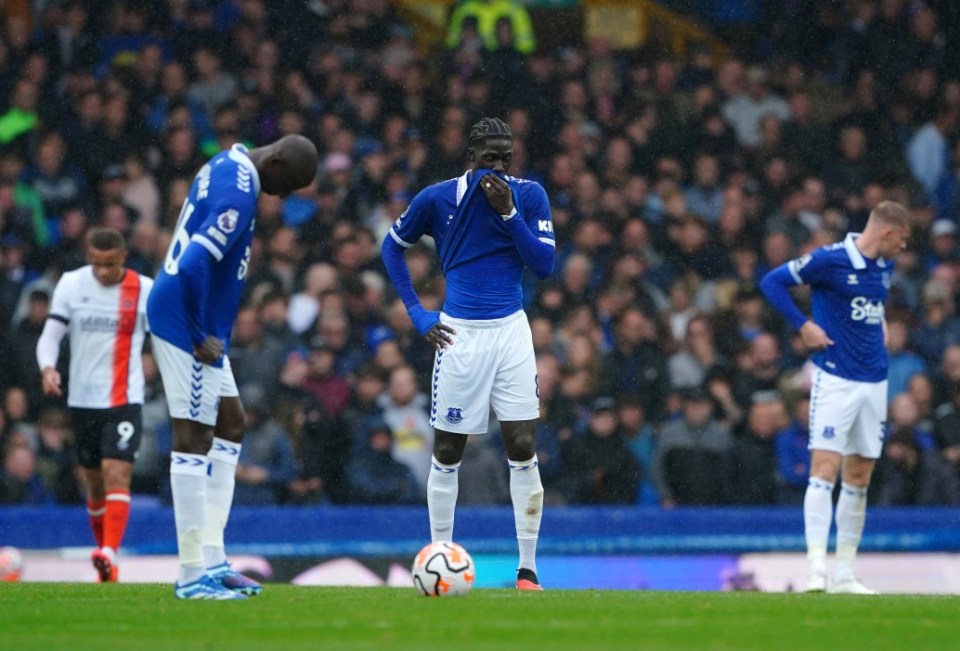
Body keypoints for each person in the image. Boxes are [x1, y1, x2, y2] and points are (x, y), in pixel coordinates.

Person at [380, 117, 554, 590]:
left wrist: (510, 215)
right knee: (449, 449)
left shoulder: (529, 195)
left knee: (521, 446)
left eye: (506, 158)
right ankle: (440, 556)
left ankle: (528, 570)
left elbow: (543, 265)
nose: (498, 167)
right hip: (459, 335)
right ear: (470, 157)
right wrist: (418, 314)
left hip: (510, 332)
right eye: (489, 157)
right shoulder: (437, 199)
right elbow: (391, 248)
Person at [146, 135, 317, 600]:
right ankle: (190, 574)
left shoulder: (229, 162)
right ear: (276, 160)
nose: (280, 196)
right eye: (286, 184)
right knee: (194, 434)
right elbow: (197, 260)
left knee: (230, 421)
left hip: (197, 322)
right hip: (186, 322)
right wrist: (202, 330)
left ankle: (215, 559)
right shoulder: (242, 192)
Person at [760, 200, 912, 595]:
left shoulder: (884, 267)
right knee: (824, 470)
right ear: (887, 233)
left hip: (875, 382)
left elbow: (868, 307)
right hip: (836, 380)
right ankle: (815, 571)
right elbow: (771, 282)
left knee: (859, 476)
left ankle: (845, 574)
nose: (906, 249)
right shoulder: (829, 260)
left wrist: (878, 325)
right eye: (904, 240)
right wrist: (803, 325)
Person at [35, 227, 153, 582]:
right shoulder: (72, 284)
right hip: (82, 401)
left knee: (117, 472)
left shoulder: (144, 289)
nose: (103, 271)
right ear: (89, 257)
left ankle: (109, 552)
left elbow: (165, 337)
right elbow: (51, 335)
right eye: (97, 264)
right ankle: (108, 564)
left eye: (111, 264)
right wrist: (48, 368)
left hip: (123, 398)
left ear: (124, 258)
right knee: (94, 483)